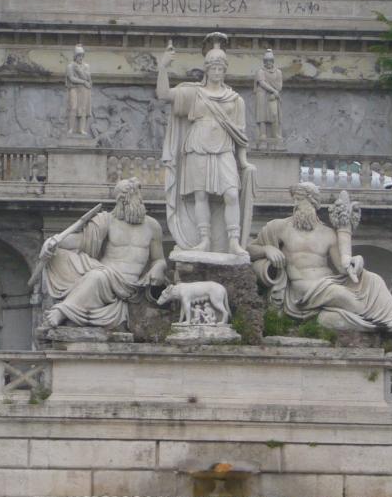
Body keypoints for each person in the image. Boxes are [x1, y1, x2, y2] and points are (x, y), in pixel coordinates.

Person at [248, 183, 392, 334]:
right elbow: (249, 250)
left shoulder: (328, 233)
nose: (295, 205)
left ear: (313, 202)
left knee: (374, 279)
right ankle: (384, 322)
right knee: (341, 295)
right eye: (295, 200)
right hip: (303, 289)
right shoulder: (279, 227)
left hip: (328, 281)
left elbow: (342, 267)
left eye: (299, 200)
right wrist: (267, 249)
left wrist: (356, 261)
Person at [157, 36, 254, 255]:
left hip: (224, 147)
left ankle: (233, 241)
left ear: (225, 71)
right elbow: (164, 95)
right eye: (213, 68)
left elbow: (241, 135)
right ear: (206, 70)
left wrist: (244, 161)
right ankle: (204, 240)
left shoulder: (235, 99)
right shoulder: (194, 93)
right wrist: (163, 67)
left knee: (231, 194)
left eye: (221, 69)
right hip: (197, 146)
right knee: (200, 195)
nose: (217, 72)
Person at [36, 179, 166, 330]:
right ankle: (71, 309)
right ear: (119, 201)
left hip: (128, 284)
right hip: (104, 270)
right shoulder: (107, 220)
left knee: (97, 276)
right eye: (124, 198)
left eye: (134, 196)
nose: (130, 201)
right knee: (60, 255)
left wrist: (158, 267)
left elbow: (159, 259)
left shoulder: (152, 226)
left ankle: (62, 312)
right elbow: (81, 241)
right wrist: (54, 242)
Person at [254, 49, 283, 144]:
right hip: (262, 94)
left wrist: (275, 93)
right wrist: (273, 90)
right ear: (264, 62)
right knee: (262, 114)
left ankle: (275, 133)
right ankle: (262, 133)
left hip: (273, 96)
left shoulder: (278, 72)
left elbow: (279, 85)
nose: (268, 63)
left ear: (273, 61)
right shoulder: (260, 71)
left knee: (274, 114)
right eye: (266, 61)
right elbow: (262, 83)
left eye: (270, 61)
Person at [65, 44, 92, 136]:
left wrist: (80, 72)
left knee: (83, 109)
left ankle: (81, 130)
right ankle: (71, 129)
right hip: (74, 88)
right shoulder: (70, 66)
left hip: (84, 89)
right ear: (75, 56)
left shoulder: (86, 66)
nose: (81, 57)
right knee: (73, 107)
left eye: (82, 55)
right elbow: (71, 78)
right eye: (79, 55)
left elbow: (88, 78)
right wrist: (83, 82)